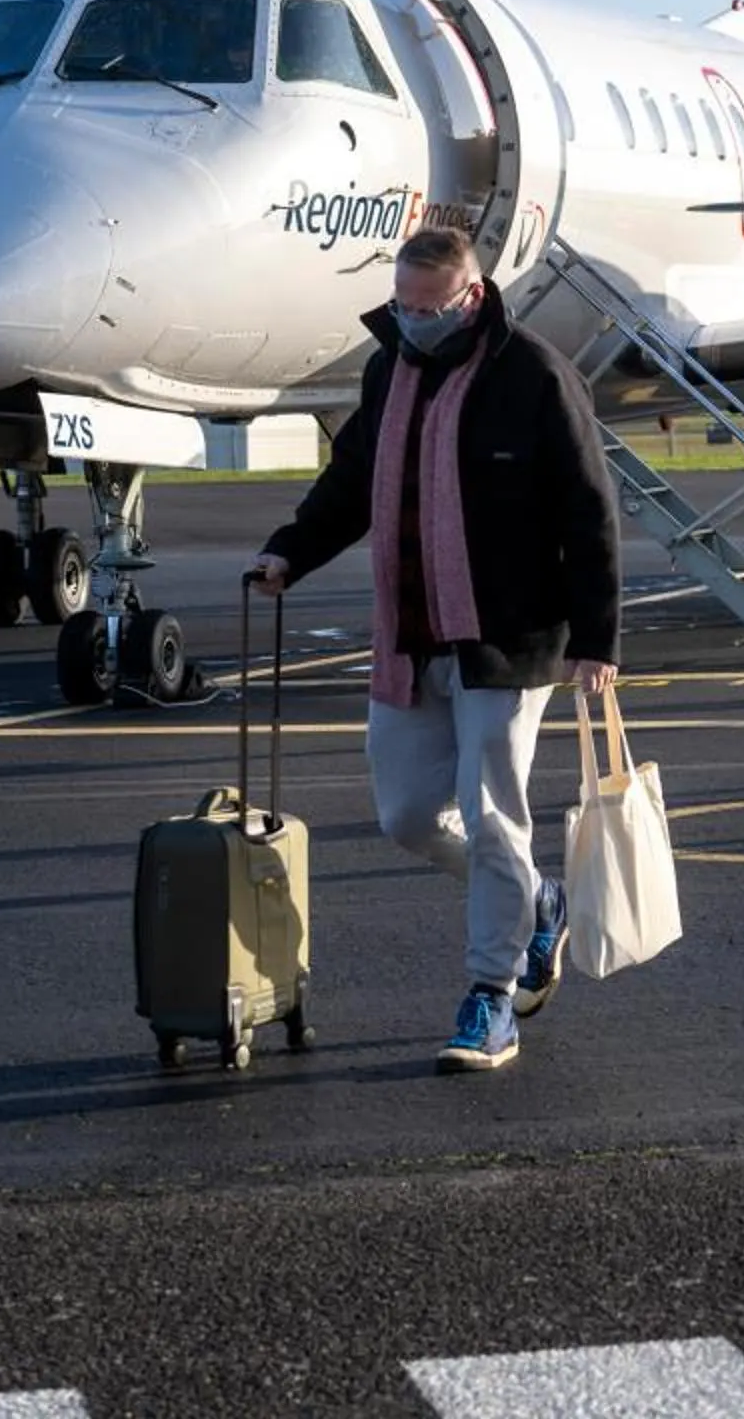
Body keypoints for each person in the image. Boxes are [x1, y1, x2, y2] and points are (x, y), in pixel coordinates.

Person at [251, 227, 622, 1074]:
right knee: (408, 816)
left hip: (510, 640)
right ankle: (537, 902)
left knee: (493, 816)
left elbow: (587, 510)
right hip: (410, 636)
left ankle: (491, 998)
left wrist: (597, 640)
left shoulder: (533, 374)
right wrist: (289, 552)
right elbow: (351, 483)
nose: (412, 322)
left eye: (429, 309)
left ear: (472, 294)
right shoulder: (391, 371)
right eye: (403, 306)